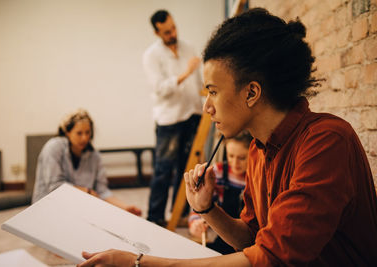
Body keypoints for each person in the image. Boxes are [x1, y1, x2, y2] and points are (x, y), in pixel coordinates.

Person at [77, 8, 377, 266]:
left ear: (251, 93)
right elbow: (251, 239)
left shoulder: (327, 141)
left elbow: (272, 259)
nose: (207, 106)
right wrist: (208, 209)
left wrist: (138, 262)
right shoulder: (259, 150)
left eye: (213, 92)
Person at [142, 10, 203, 226]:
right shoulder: (151, 56)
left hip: (193, 113)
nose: (172, 33)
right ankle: (155, 217)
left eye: (174, 27)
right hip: (169, 119)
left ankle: (181, 214)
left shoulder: (189, 47)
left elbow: (198, 82)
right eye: (167, 31)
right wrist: (184, 74)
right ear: (157, 32)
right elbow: (160, 89)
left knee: (187, 169)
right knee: (163, 170)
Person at [32, 109, 141, 216]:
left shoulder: (94, 156)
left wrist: (125, 208)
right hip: (48, 209)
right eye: (79, 133)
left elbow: (102, 191)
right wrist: (87, 191)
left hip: (78, 209)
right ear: (68, 133)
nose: (84, 138)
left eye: (87, 132)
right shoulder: (53, 147)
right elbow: (55, 186)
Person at [188, 131, 252, 254]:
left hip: (251, 243)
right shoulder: (218, 172)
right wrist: (195, 222)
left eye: (242, 158)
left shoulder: (257, 177)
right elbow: (200, 204)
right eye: (231, 156)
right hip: (225, 237)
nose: (235, 163)